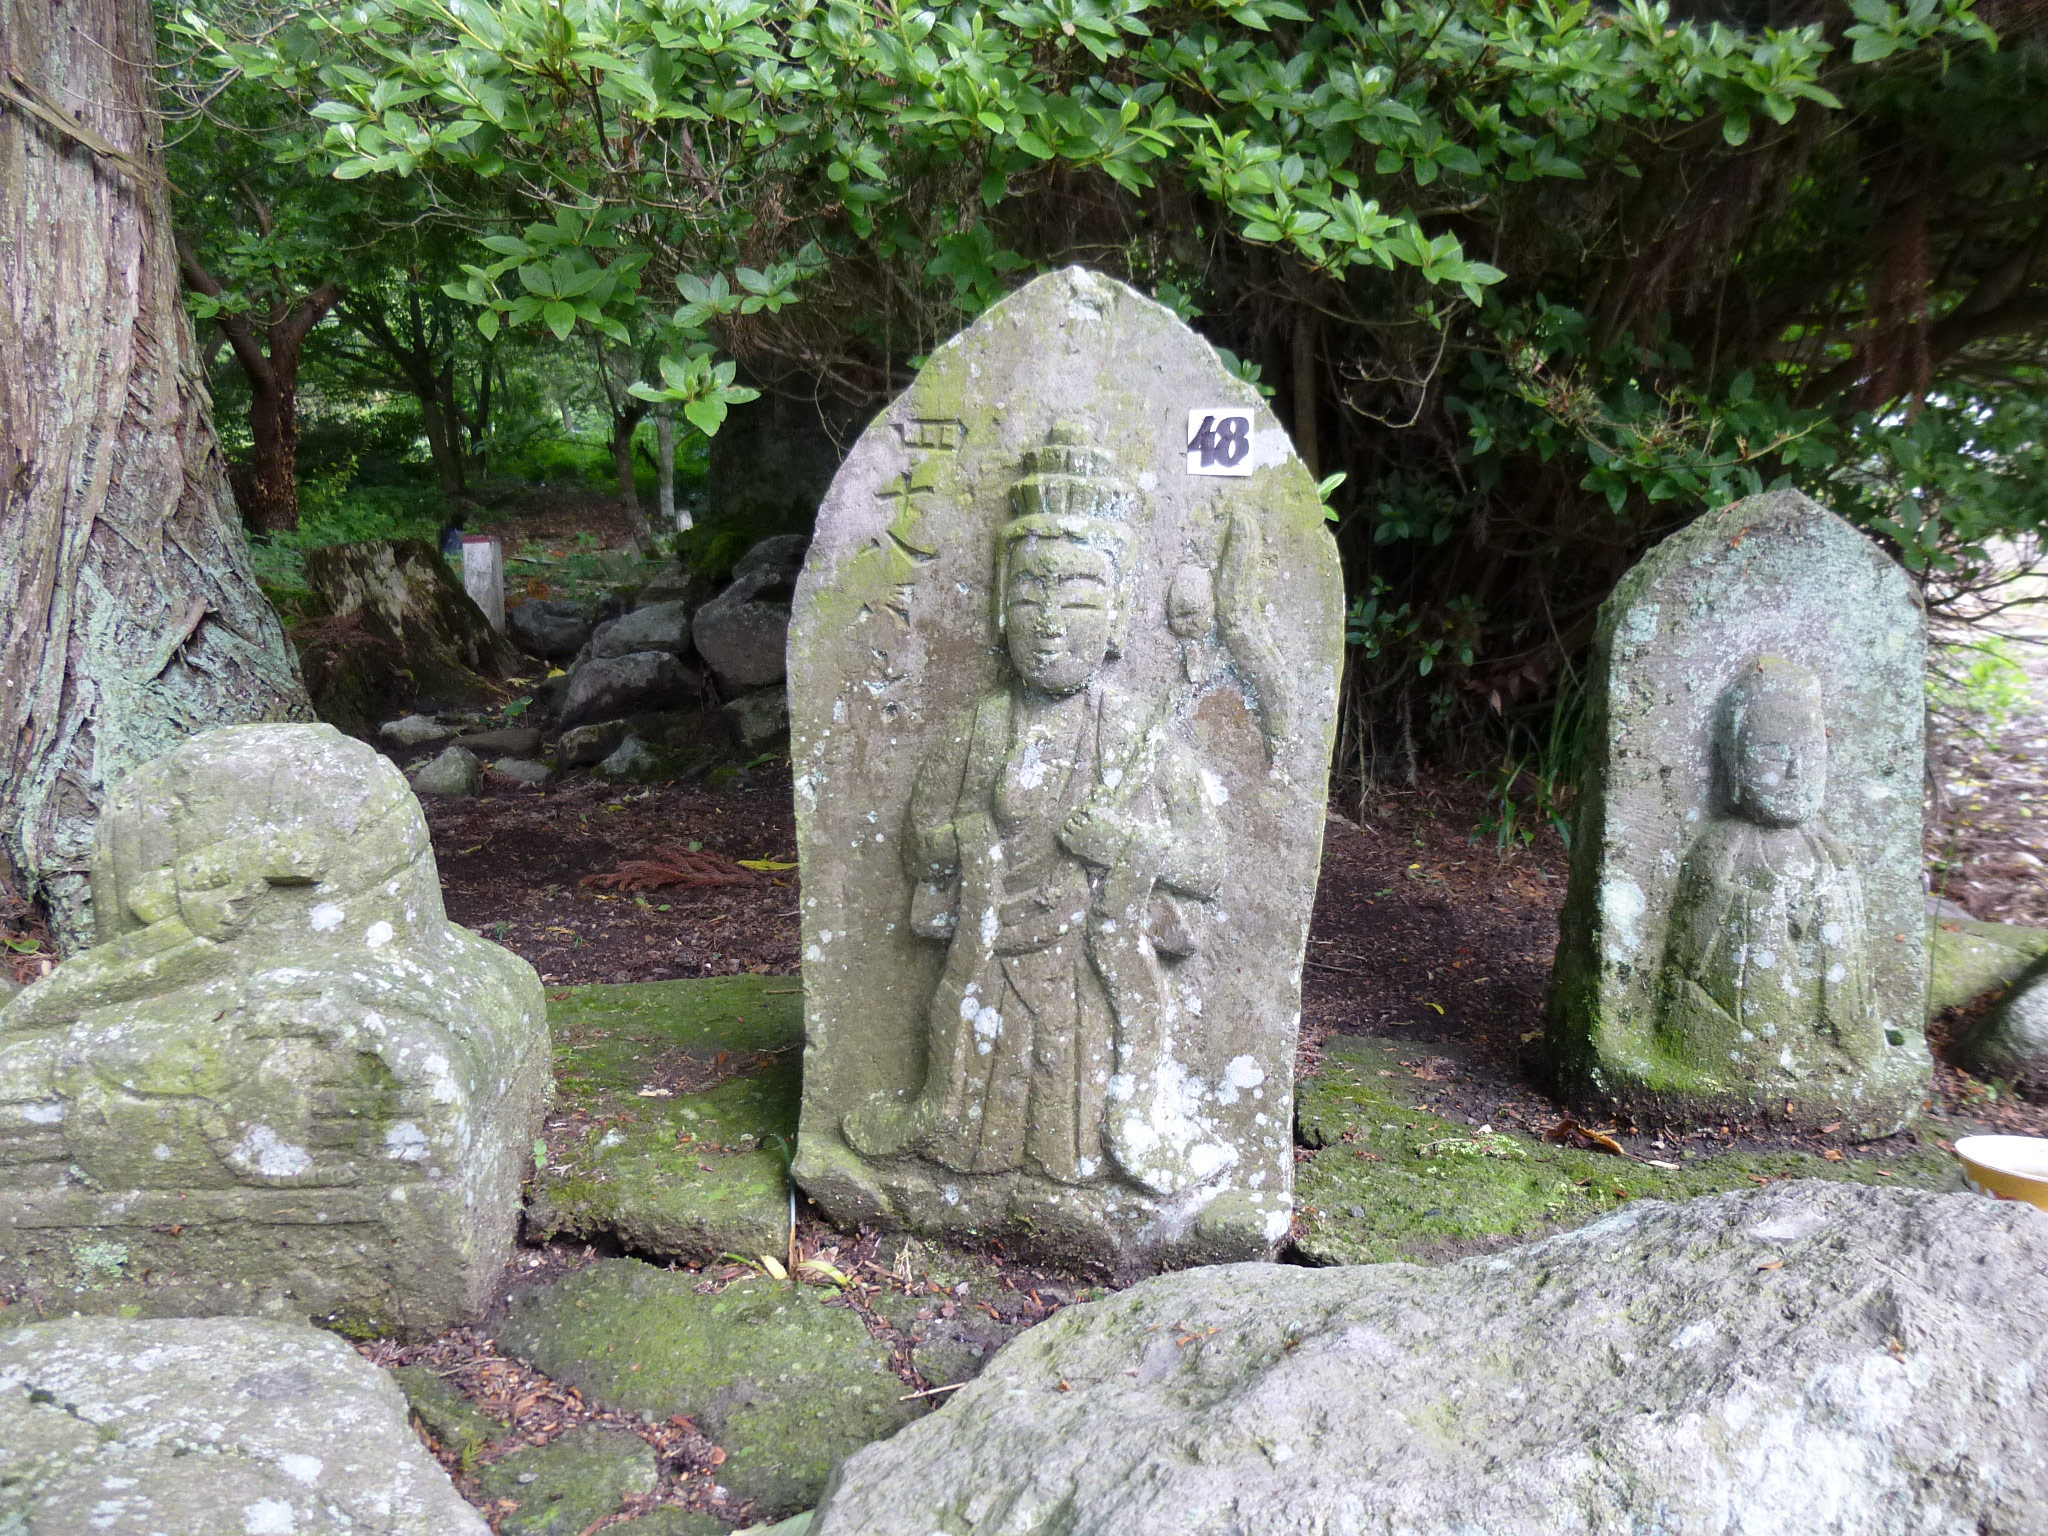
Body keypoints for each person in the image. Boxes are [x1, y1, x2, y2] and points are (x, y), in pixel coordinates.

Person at [844, 424, 1224, 1192]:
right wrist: (976, 837)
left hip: (1090, 963)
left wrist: (1126, 842)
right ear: (998, 609)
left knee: (1070, 1106)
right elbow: (920, 843)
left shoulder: (1135, 732)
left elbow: (1207, 863)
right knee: (980, 1112)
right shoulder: (978, 728)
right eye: (1027, 594)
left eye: (1078, 597)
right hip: (987, 954)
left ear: (1117, 614)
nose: (1049, 621)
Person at [1657, 656, 1879, 1075]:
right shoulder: (1724, 846)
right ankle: (1764, 1053)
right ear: (1735, 764)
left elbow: (1852, 963)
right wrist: (1766, 911)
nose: (1796, 771)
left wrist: (1823, 904)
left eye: (1810, 751)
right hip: (1744, 1027)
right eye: (1773, 754)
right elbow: (1690, 958)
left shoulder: (1828, 851)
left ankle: (1827, 1046)